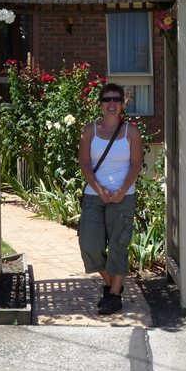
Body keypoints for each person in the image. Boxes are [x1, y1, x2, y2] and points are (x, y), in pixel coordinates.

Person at [78, 82, 143, 315]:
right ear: (100, 104)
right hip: (94, 196)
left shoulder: (131, 132)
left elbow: (136, 165)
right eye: (107, 99)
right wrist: (99, 188)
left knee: (118, 245)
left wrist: (122, 190)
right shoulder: (90, 130)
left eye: (116, 99)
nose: (112, 104)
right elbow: (84, 164)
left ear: (122, 103)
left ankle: (114, 295)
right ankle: (112, 283)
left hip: (123, 197)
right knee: (89, 245)